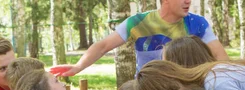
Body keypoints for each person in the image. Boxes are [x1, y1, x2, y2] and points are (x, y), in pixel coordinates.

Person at [53, 0, 228, 77]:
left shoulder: (197, 24)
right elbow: (103, 45)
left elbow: (222, 59)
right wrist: (78, 66)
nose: (188, 1)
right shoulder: (137, 22)